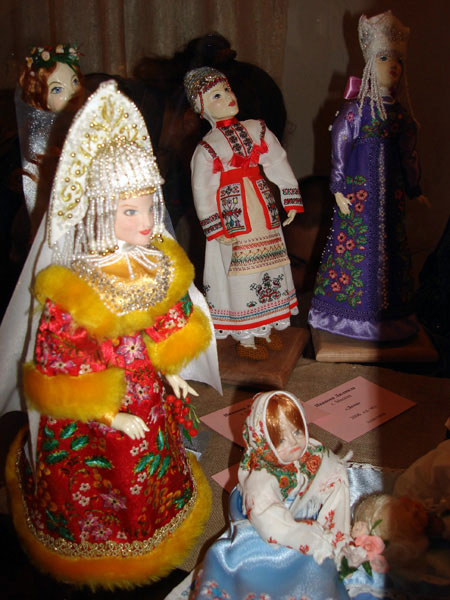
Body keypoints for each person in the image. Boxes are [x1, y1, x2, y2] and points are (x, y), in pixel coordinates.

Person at [5, 80, 219, 590]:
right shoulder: (75, 288)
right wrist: (108, 413)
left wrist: (172, 367)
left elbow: (167, 317)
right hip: (102, 410)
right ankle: (100, 546)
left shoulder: (154, 263)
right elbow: (63, 360)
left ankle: (154, 530)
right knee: (106, 475)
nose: (147, 221)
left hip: (147, 393)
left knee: (150, 468)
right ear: (102, 211)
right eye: (130, 211)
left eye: (149, 206)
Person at [308, 11, 429, 342]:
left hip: (391, 197)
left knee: (392, 250)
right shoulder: (357, 110)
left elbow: (409, 154)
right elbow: (340, 145)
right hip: (358, 197)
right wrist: (337, 187)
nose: (393, 66)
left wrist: (414, 187)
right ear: (369, 64)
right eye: (384, 58)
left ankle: (392, 318)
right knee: (356, 249)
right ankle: (345, 316)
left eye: (398, 60)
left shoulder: (401, 116)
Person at [184, 67, 303, 360]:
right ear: (202, 108)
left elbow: (276, 160)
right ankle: (246, 337)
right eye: (216, 95)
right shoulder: (207, 147)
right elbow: (202, 188)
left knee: (271, 264)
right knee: (240, 271)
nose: (227, 97)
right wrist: (214, 226)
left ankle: (266, 328)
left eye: (227, 90)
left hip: (260, 207)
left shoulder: (255, 128)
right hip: (232, 217)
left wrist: (289, 194)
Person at [191, 390, 353, 599]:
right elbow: (268, 519)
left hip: (300, 516)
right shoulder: (262, 477)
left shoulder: (311, 452)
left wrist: (336, 534)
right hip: (264, 531)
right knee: (310, 568)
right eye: (281, 440)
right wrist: (311, 537)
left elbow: (334, 473)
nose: (294, 443)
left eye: (297, 431)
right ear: (263, 441)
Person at [16, 44, 84, 235]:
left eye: (75, 81)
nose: (72, 92)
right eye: (57, 89)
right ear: (40, 95)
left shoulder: (86, 126)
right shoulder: (40, 140)